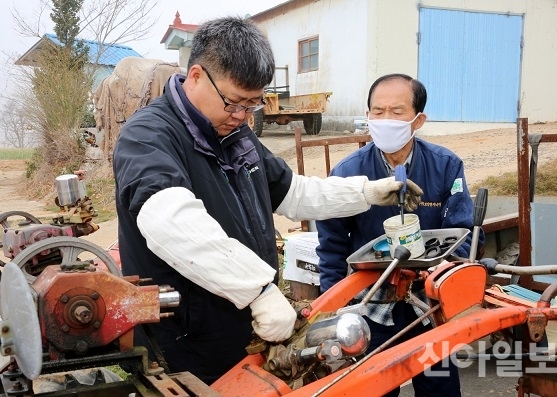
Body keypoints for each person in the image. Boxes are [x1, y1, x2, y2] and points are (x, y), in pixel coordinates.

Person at [112, 17, 423, 385]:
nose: (242, 116)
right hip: (187, 339)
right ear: (195, 76)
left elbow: (294, 192)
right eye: (234, 102)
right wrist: (258, 289)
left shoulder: (236, 134)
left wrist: (365, 192)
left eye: (252, 105)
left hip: (248, 326)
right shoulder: (148, 136)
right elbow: (170, 221)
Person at [316, 73, 485, 397]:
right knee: (372, 388)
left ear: (418, 119)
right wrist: (332, 312)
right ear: (367, 116)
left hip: (430, 302)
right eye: (377, 112)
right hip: (372, 302)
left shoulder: (446, 165)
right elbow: (332, 247)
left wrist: (453, 288)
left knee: (440, 387)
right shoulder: (347, 173)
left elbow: (461, 232)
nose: (385, 120)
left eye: (396, 111)